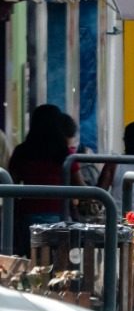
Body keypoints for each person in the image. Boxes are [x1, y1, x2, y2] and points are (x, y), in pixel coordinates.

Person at [7, 105, 80, 256]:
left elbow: (10, 184)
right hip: (59, 214)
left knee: (30, 257)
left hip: (28, 213)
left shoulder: (22, 151)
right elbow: (80, 184)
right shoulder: (64, 153)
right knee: (58, 261)